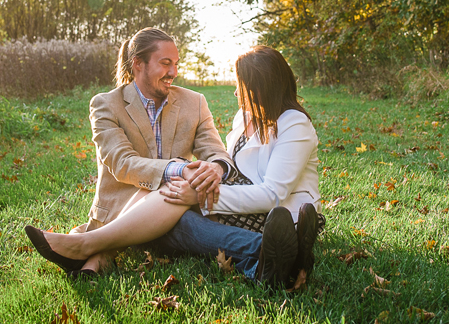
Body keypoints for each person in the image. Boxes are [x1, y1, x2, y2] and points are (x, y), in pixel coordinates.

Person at [25, 32, 319, 286]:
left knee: (175, 217)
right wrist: (180, 171)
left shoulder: (195, 102)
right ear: (138, 64)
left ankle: (86, 246)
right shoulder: (105, 105)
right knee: (175, 208)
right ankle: (271, 252)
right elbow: (122, 163)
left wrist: (215, 168)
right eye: (166, 63)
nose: (174, 71)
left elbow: (217, 152)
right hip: (125, 208)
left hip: (213, 204)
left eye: (176, 63)